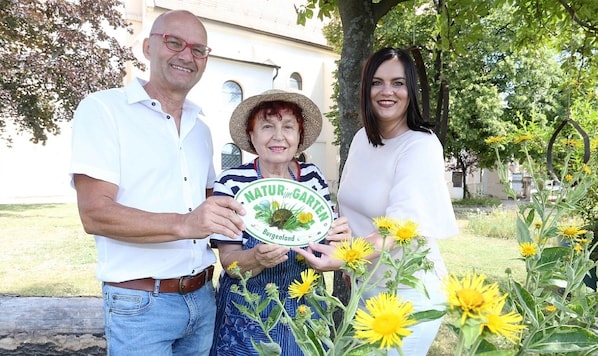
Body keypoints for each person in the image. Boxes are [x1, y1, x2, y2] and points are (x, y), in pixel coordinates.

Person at [69, 10, 246, 356]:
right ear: (148, 47)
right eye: (174, 42)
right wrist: (186, 223)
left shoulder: (201, 129)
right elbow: (94, 214)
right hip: (139, 305)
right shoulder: (104, 110)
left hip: (203, 298)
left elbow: (213, 208)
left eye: (198, 50)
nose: (186, 56)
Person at [209, 90, 350, 355]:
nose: (278, 136)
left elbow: (328, 241)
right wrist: (256, 258)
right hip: (248, 311)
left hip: (305, 308)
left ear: (299, 136)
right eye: (266, 127)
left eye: (288, 127)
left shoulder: (313, 177)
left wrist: (338, 242)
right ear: (251, 136)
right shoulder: (231, 181)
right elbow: (229, 262)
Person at [336, 47, 459, 355]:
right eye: (377, 82)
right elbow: (349, 209)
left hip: (408, 291)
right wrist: (352, 268)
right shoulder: (362, 139)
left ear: (411, 90)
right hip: (365, 287)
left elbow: (397, 230)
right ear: (366, 89)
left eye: (398, 83)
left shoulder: (421, 146)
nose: (387, 91)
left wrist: (344, 259)